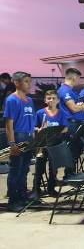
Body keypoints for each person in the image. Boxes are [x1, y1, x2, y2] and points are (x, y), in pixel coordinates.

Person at [4, 72, 37, 212]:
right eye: (26, 81)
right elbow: (9, 124)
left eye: (30, 81)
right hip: (18, 136)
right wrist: (12, 144)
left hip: (29, 137)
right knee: (15, 170)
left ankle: (23, 197)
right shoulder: (12, 100)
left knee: (24, 169)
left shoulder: (30, 100)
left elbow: (32, 121)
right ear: (16, 83)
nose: (29, 84)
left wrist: (35, 137)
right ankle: (13, 201)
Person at [57, 68, 84, 176]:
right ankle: (69, 173)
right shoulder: (64, 90)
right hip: (71, 124)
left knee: (77, 148)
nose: (78, 81)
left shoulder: (71, 91)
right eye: (78, 78)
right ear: (74, 77)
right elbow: (74, 108)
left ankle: (71, 172)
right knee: (72, 149)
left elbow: (78, 106)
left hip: (77, 122)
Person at [33, 90, 68, 198]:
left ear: (57, 100)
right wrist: (39, 130)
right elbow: (34, 127)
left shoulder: (62, 113)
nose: (51, 100)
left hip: (55, 144)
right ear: (45, 100)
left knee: (53, 168)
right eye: (49, 98)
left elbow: (65, 128)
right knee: (39, 167)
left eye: (53, 98)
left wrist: (54, 132)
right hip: (42, 144)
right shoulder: (40, 113)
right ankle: (36, 189)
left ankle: (51, 188)